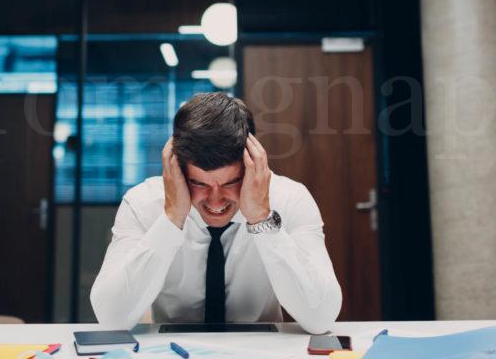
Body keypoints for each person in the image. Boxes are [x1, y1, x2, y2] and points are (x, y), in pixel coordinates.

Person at [90, 92, 342, 334]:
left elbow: (320, 318)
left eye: (230, 182)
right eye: (199, 183)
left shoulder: (290, 199)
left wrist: (261, 219)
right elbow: (112, 319)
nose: (215, 200)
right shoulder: (142, 203)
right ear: (177, 170)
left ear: (252, 165)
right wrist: (172, 218)